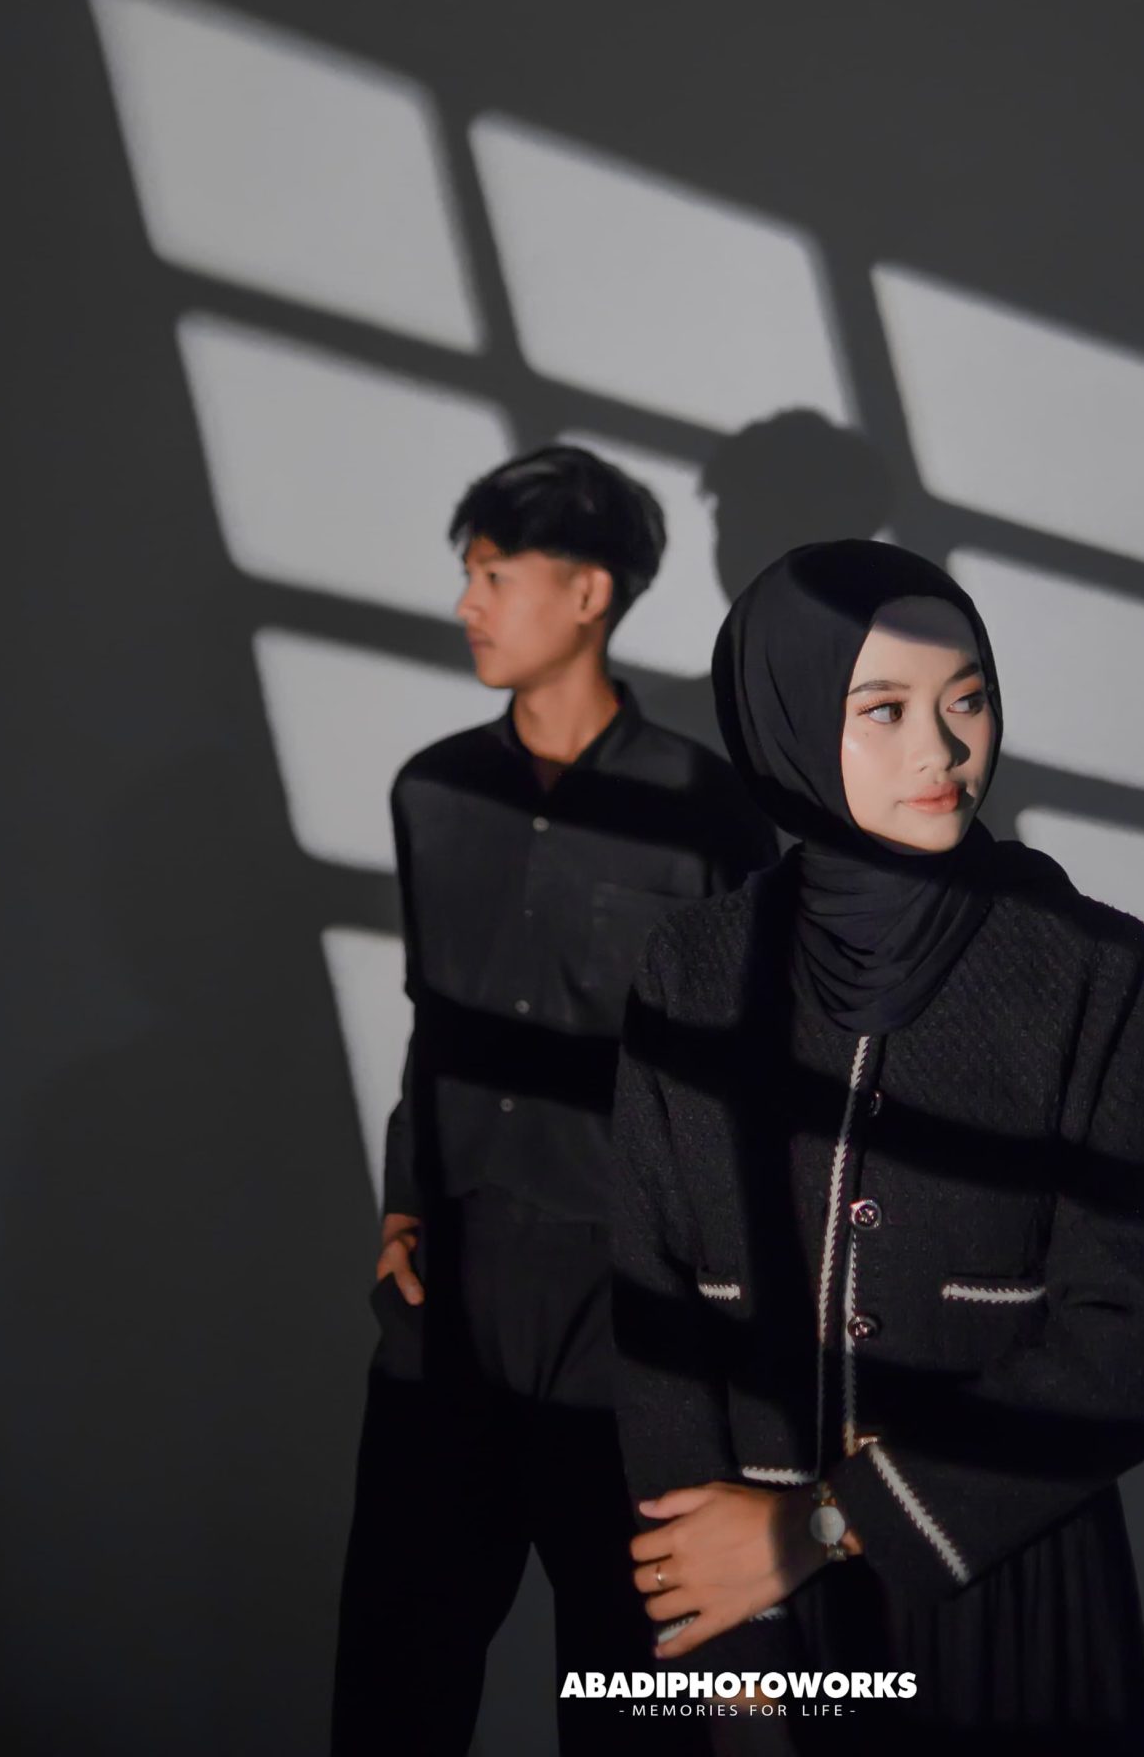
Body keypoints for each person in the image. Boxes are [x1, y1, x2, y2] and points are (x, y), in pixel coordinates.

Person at [609, 539, 1144, 1751]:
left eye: (966, 700)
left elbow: (1122, 1351)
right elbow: (652, 1295)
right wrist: (717, 1603)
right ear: (784, 719)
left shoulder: (1088, 964)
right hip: (744, 1589)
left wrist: (825, 1525)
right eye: (882, 710)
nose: (941, 749)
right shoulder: (695, 965)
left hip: (1002, 1590)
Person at [331, 445, 777, 1755]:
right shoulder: (433, 792)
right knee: (395, 1687)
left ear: (588, 593)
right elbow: (436, 1027)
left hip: (627, 1321)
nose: (466, 605)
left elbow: (741, 1082)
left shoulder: (708, 812)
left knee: (634, 1700)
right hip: (450, 1302)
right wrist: (404, 1206)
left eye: (492, 576)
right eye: (466, 576)